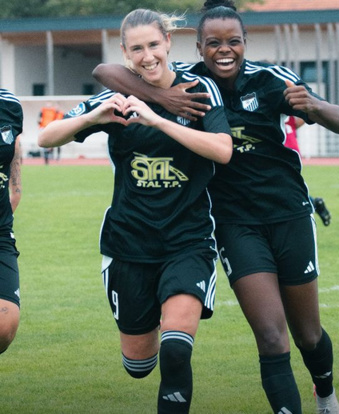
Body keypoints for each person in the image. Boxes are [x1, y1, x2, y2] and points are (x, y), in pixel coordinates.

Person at [92, 1, 339, 413]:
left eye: (233, 41)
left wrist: (316, 107)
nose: (224, 50)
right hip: (233, 224)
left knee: (309, 335)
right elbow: (105, 73)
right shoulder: (188, 84)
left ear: (246, 42)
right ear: (198, 47)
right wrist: (168, 101)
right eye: (213, 43)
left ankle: (326, 395)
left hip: (289, 215)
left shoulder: (270, 79)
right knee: (271, 335)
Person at [39, 8, 232, 414]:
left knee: (176, 352)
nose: (148, 56)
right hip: (129, 245)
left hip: (187, 240)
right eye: (137, 49)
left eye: (154, 45)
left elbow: (222, 150)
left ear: (168, 43)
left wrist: (158, 121)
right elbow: (46, 136)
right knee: (139, 366)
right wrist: (95, 115)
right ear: (126, 54)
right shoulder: (117, 97)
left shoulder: (199, 88)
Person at [0, 89, 23, 355]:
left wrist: (16, 192)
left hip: (1, 231)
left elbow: (14, 147)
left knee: (5, 326)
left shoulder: (9, 104)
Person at [285, 115, 331, 226]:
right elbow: (299, 120)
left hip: (282, 148)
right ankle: (314, 203)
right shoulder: (285, 103)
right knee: (288, 185)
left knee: (286, 186)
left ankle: (312, 204)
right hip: (292, 146)